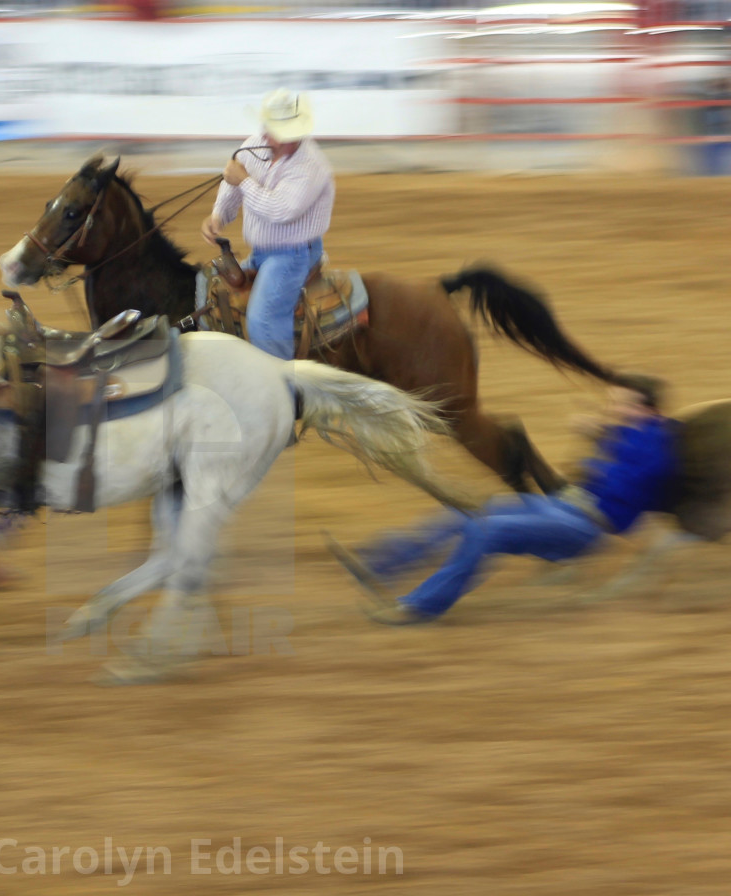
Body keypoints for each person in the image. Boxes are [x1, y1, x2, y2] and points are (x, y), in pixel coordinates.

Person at [328, 378, 679, 625]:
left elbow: (627, 483)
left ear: (644, 408)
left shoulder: (656, 443)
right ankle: (380, 566)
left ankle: (419, 608)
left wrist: (602, 446)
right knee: (467, 513)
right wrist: (603, 440)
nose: (612, 407)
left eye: (619, 402)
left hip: (586, 527)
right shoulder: (634, 435)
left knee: (488, 531)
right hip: (566, 508)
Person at [201, 88, 335, 360]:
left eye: (273, 130)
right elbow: (233, 182)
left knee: (263, 322)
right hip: (263, 253)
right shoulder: (257, 145)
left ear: (292, 134)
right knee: (211, 292)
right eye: (266, 126)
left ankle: (282, 388)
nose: (264, 134)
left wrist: (245, 181)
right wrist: (218, 215)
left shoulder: (311, 166)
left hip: (293, 256)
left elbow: (280, 210)